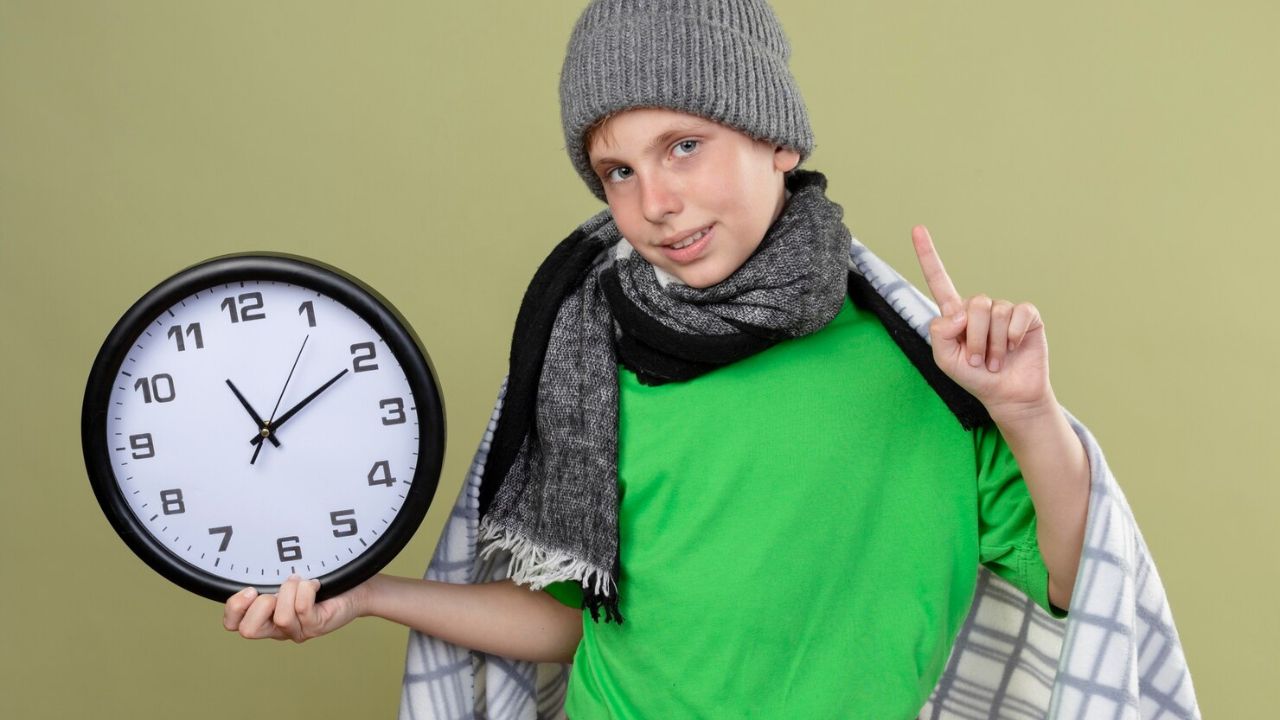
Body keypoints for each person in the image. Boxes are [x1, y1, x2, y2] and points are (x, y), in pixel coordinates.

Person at [225, 1, 1199, 718]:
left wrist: (1026, 411)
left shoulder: (920, 373)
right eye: (618, 168)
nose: (653, 198)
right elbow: (571, 621)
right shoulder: (590, 356)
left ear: (775, 139)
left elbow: (1078, 579)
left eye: (683, 144)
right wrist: (368, 598)